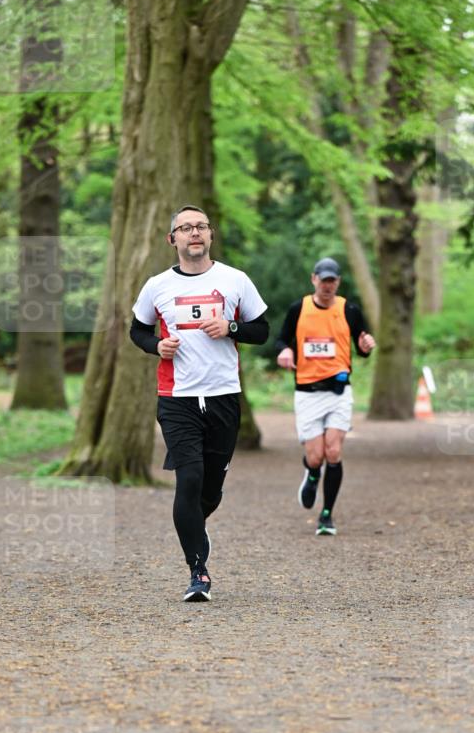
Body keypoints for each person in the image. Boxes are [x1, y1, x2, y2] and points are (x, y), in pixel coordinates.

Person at [130, 204, 268, 602]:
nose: (194, 233)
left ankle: (194, 525)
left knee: (211, 491)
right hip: (177, 398)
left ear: (210, 236)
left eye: (201, 227)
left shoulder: (235, 280)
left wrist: (231, 327)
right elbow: (137, 330)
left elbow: (261, 329)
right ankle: (198, 572)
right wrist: (157, 345)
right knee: (188, 480)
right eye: (186, 228)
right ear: (172, 238)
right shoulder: (157, 286)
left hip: (224, 395)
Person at [276, 257, 375, 535]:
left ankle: (327, 515)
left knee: (333, 450)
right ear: (314, 279)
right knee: (316, 456)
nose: (327, 285)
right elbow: (281, 339)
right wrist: (284, 351)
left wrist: (366, 345)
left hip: (339, 391)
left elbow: (362, 344)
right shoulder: (299, 309)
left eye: (332, 281)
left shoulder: (349, 310)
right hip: (307, 392)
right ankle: (311, 472)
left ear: (338, 282)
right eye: (323, 280)